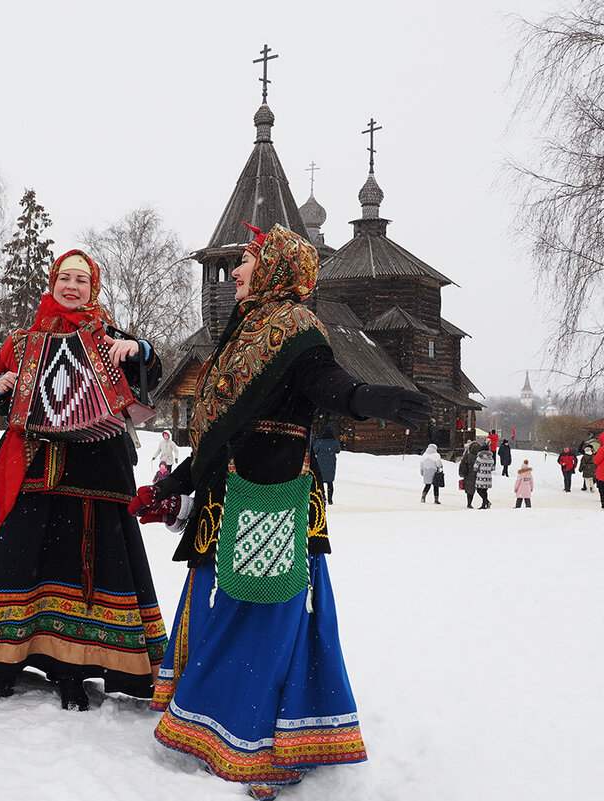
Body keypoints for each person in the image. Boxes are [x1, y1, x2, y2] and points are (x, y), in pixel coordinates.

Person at [128, 223, 431, 799]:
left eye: (246, 261)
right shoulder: (244, 331)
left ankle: (261, 739)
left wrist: (368, 398)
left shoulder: (298, 330)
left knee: (267, 613)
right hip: (229, 493)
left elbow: (327, 382)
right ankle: (210, 720)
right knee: (224, 606)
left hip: (275, 497)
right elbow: (222, 428)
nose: (236, 271)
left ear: (273, 269)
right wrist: (181, 482)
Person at [0, 249, 167, 712]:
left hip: (95, 473)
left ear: (94, 287)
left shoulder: (112, 338)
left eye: (82, 279)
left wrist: (141, 351)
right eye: (65, 277)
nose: (72, 286)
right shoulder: (24, 340)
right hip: (32, 467)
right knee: (12, 563)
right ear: (53, 281)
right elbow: (0, 387)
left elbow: (152, 374)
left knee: (82, 568)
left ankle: (73, 668)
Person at [312, 424, 341, 504]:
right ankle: (330, 499)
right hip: (331, 464)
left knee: (320, 481)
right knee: (330, 482)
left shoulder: (321, 441)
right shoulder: (334, 441)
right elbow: (338, 450)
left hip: (321, 463)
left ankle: (323, 497)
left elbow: (314, 450)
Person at [458, 441, 480, 508]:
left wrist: (461, 473)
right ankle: (485, 501)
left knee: (469, 490)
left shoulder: (467, 456)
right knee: (479, 489)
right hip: (477, 475)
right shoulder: (479, 457)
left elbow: (462, 465)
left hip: (468, 475)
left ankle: (469, 503)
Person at [474, 440, 494, 508]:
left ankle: (486, 502)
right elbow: (492, 468)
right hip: (488, 477)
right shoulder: (491, 458)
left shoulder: (479, 458)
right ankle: (484, 504)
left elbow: (475, 467)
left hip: (480, 477)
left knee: (479, 490)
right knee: (485, 491)